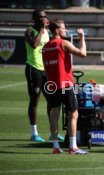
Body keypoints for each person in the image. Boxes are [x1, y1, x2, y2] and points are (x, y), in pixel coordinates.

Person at [42, 19, 89, 154]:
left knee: (54, 114)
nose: (66, 30)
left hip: (52, 85)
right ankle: (73, 147)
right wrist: (82, 39)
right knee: (73, 113)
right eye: (63, 28)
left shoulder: (45, 47)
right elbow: (83, 53)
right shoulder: (64, 43)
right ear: (57, 31)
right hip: (66, 85)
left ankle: (56, 146)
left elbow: (45, 69)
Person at [24, 9, 64, 142]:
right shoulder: (29, 31)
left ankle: (53, 132)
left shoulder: (47, 32)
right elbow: (34, 45)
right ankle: (34, 133)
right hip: (33, 69)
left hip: (46, 70)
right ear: (34, 18)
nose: (43, 19)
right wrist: (41, 30)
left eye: (45, 16)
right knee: (34, 100)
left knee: (52, 101)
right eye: (41, 17)